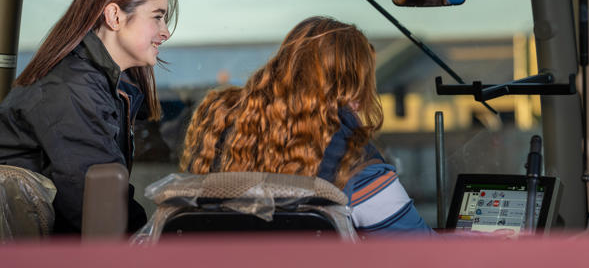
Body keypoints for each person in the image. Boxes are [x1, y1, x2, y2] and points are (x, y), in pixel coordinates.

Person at [180, 16, 434, 236]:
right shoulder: (356, 165)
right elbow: (426, 255)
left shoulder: (219, 135)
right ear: (350, 91)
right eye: (364, 84)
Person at [0, 0, 178, 234]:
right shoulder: (71, 91)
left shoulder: (98, 84)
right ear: (115, 16)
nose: (165, 32)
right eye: (157, 16)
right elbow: (97, 210)